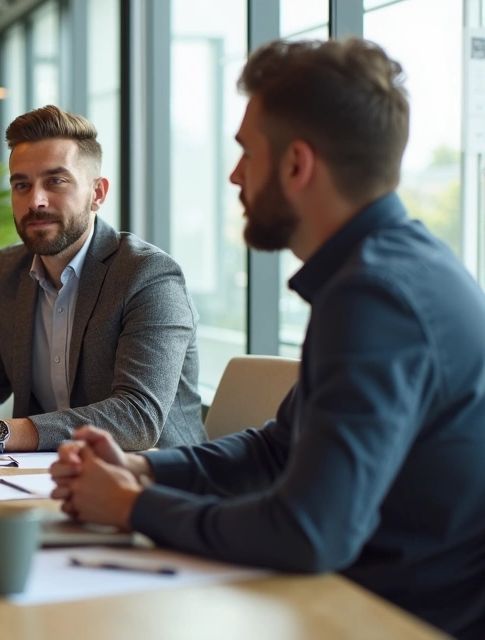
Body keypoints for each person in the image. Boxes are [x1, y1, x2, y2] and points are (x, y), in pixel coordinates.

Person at [49, 38, 485, 639]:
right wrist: (142, 470)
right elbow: (278, 448)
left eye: (245, 153)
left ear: (297, 165)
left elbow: (310, 532)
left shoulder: (376, 297)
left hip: (386, 619)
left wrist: (129, 506)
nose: (234, 174)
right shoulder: (394, 270)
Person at [0, 105, 205, 456]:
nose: (35, 200)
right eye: (21, 185)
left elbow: (137, 417)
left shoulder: (148, 276)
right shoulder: (8, 270)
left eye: (56, 181)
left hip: (157, 485)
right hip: (46, 478)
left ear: (97, 193)